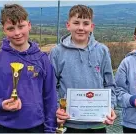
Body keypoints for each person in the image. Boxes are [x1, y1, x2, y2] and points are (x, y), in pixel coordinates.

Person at [0, 4, 57, 133]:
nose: (17, 33)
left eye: (21, 26)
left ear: (29, 25)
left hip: (36, 128)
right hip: (2, 128)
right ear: (4, 30)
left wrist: (50, 129)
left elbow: (50, 98)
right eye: (11, 28)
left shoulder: (42, 60)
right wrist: (0, 104)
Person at [50, 4, 117, 133]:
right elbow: (51, 87)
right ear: (68, 25)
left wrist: (110, 107)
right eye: (76, 23)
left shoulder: (102, 51)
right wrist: (57, 108)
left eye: (86, 23)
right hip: (68, 123)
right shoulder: (57, 52)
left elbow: (110, 84)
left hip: (98, 123)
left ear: (92, 27)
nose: (81, 28)